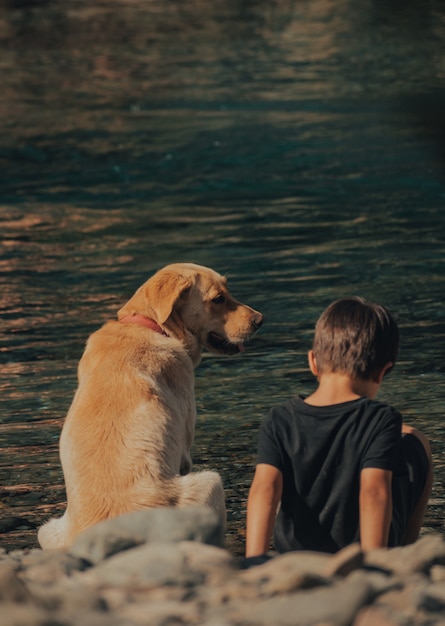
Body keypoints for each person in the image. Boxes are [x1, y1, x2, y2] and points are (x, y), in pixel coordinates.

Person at [245, 297, 433, 564]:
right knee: (416, 440)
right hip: (360, 555)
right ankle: (405, 558)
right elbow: (374, 491)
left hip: (295, 556)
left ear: (312, 362)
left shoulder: (279, 418)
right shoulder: (382, 419)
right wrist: (372, 566)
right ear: (383, 372)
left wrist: (255, 562)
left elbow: (265, 489)